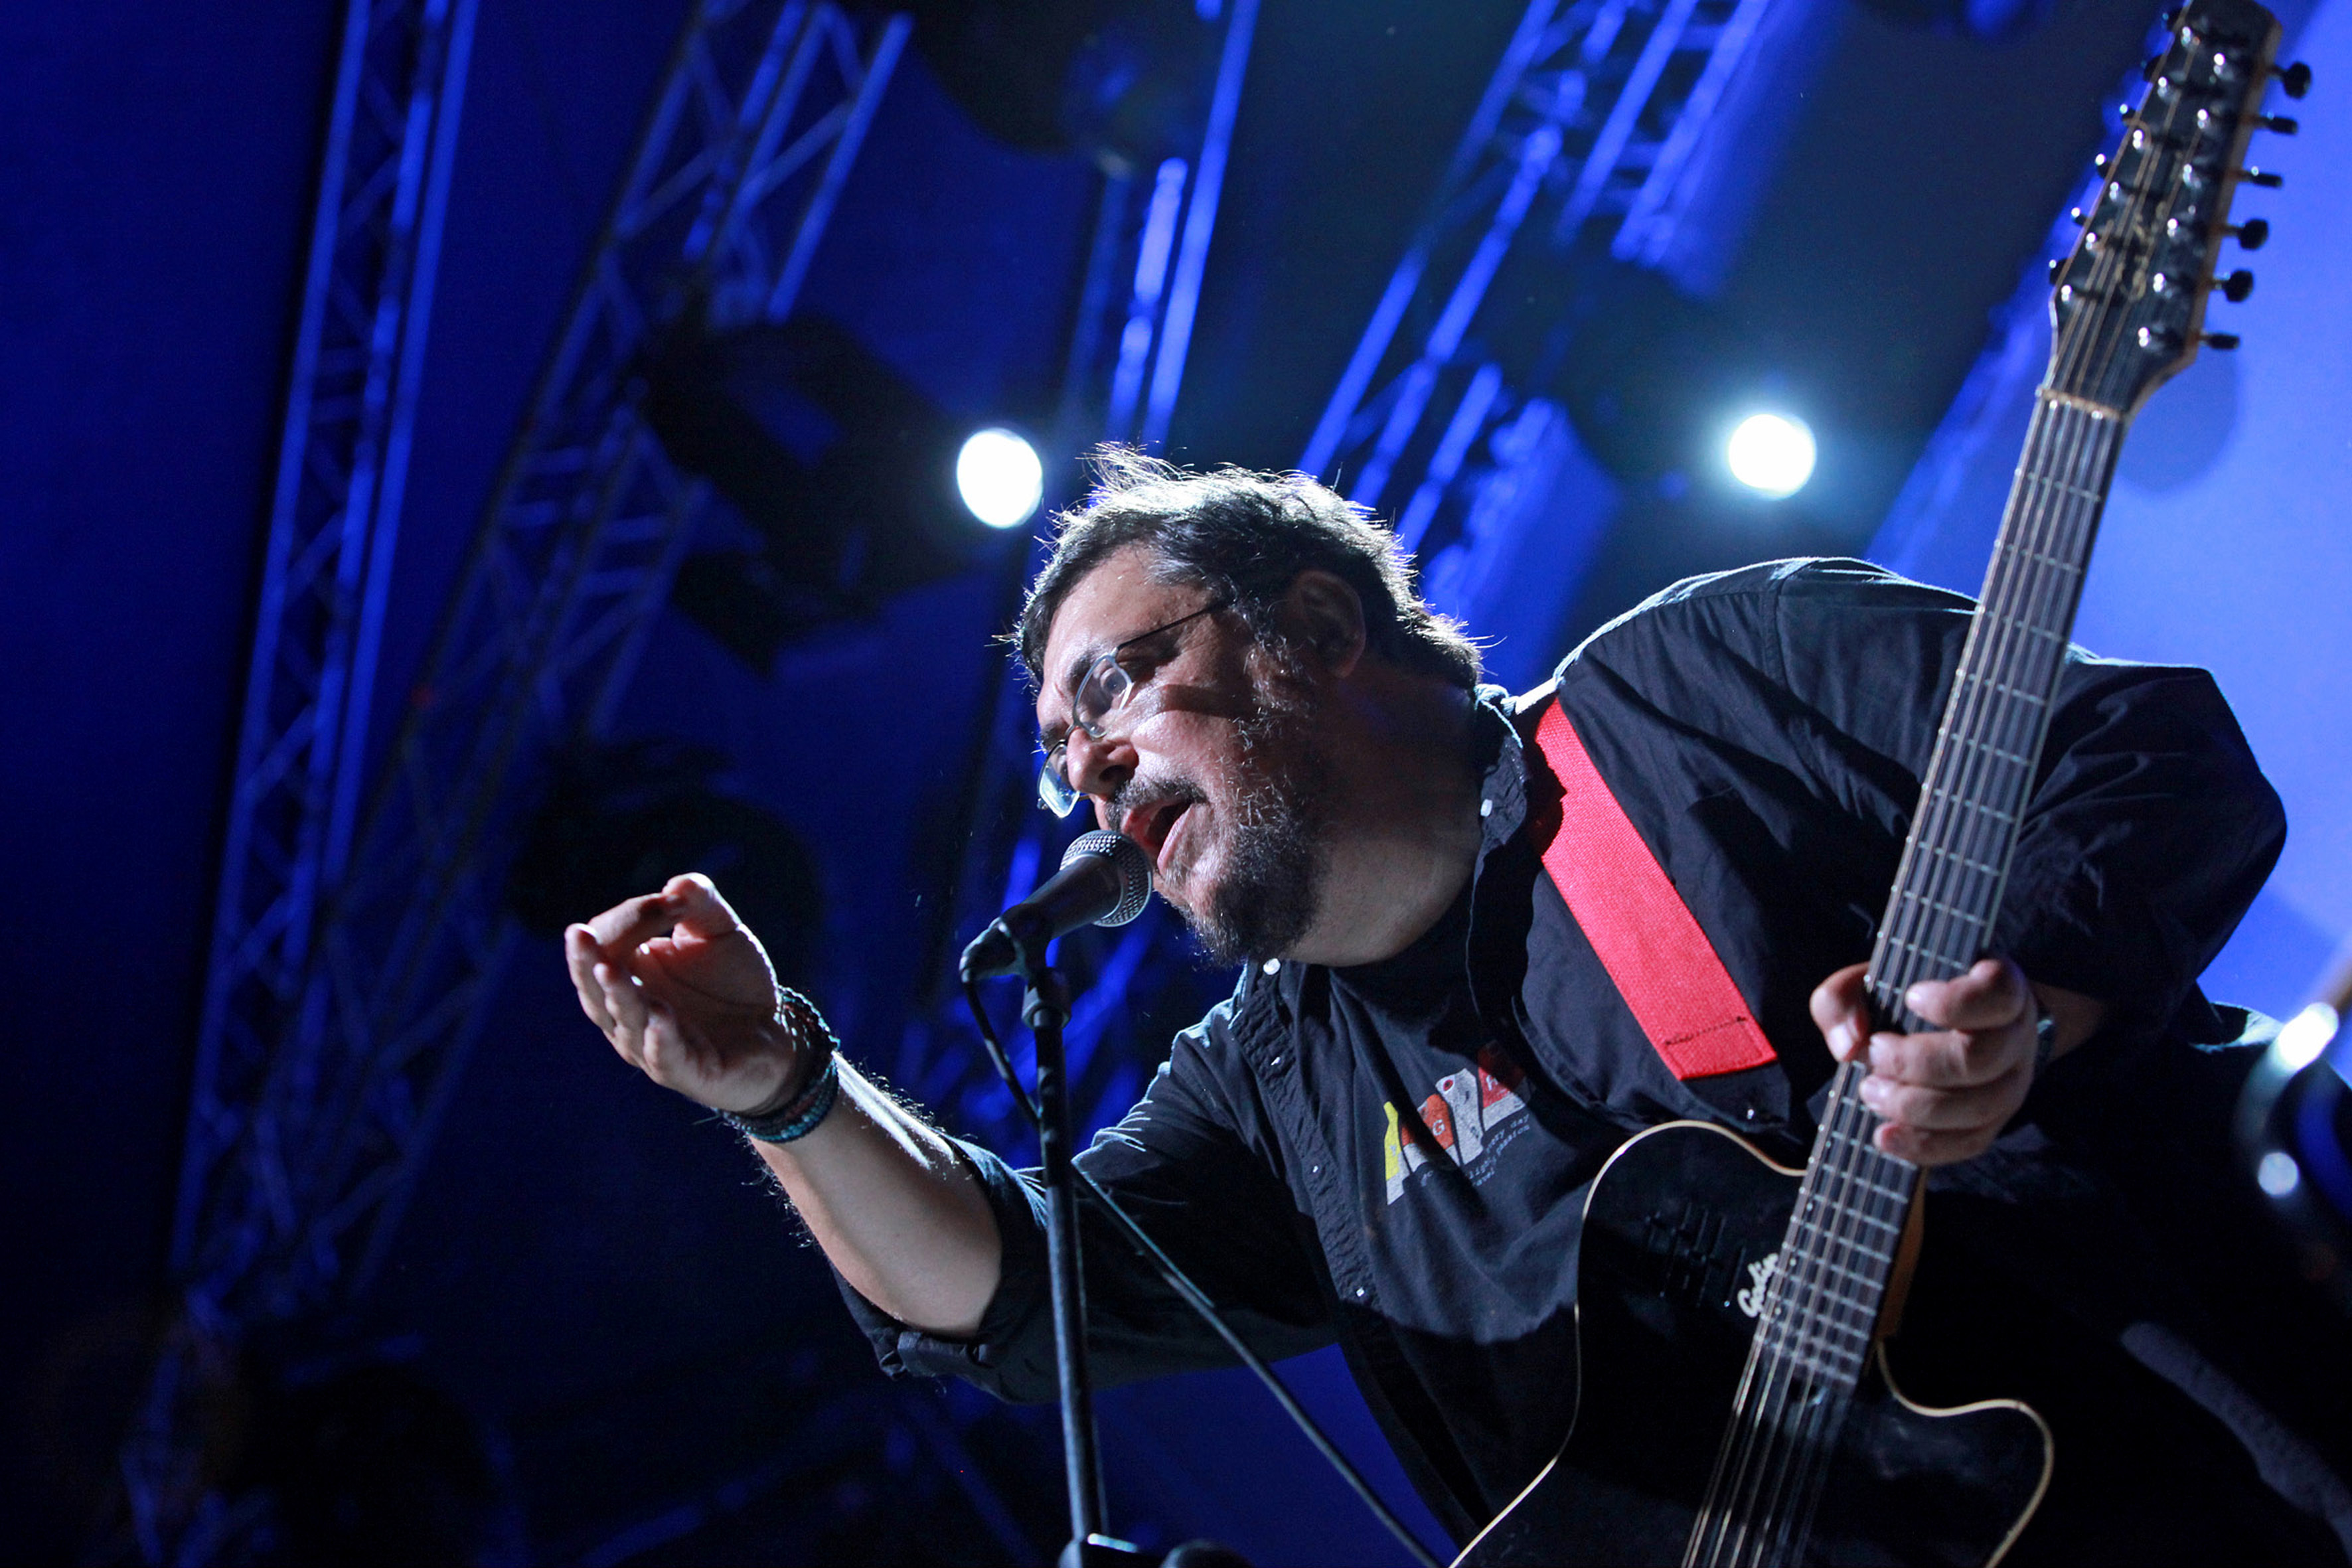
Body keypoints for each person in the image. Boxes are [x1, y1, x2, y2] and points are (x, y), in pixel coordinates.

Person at [566, 452, 2349, 1561]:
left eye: (1121, 682)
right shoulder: (1270, 1092)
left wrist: (2031, 1000)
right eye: (1058, 755)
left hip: (2228, 1472)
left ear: (1320, 625)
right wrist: (785, 1088)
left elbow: (2143, 754)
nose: (1090, 765)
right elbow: (1018, 1295)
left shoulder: (1694, 689)